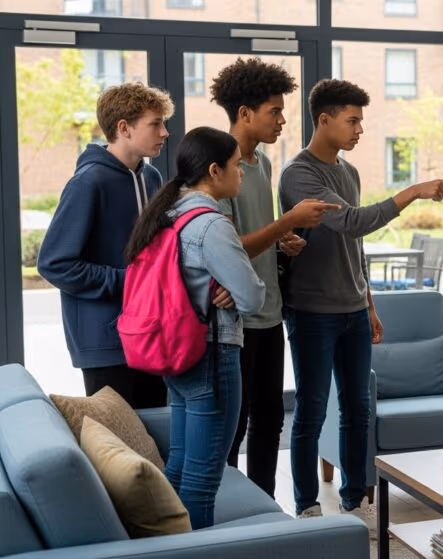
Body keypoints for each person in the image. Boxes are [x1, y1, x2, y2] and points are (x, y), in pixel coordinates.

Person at [279, 79, 443, 523]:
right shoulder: (298, 174)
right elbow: (353, 224)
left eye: (361, 121)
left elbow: (353, 251)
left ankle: (355, 500)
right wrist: (412, 192)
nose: (360, 130)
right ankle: (306, 506)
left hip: (353, 311)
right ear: (324, 120)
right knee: (312, 410)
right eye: (352, 120)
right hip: (312, 313)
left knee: (359, 409)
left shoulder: (349, 172)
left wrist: (369, 305)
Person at [209, 57, 339, 498]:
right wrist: (287, 224)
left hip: (269, 313)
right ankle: (225, 511)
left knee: (269, 420)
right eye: (274, 112)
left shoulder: (262, 164)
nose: (283, 120)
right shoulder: (219, 169)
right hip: (236, 321)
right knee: (234, 423)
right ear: (244, 113)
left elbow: (255, 235)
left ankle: (263, 506)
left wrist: (283, 240)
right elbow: (227, 250)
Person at [124, 126, 266, 529]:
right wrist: (233, 288)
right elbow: (254, 298)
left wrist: (227, 287)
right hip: (212, 355)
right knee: (203, 482)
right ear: (214, 170)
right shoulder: (212, 225)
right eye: (238, 166)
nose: (242, 173)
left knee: (180, 471)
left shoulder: (167, 214)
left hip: (179, 356)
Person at [38, 82, 175, 409]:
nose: (165, 132)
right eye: (155, 124)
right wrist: (128, 281)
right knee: (117, 445)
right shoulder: (88, 182)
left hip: (149, 332)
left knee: (153, 440)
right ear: (123, 128)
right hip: (105, 342)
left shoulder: (151, 178)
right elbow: (54, 263)